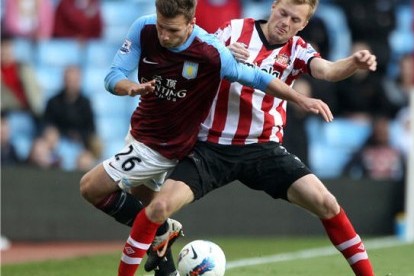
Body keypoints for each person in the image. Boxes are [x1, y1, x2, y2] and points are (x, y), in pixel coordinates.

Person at [79, 0, 333, 275]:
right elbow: (112, 76)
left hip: (166, 144)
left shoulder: (211, 52)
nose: (164, 36)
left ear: (191, 24)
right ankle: (167, 259)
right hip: (141, 130)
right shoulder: (143, 27)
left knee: (91, 187)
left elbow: (257, 78)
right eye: (161, 27)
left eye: (173, 31)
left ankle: (160, 233)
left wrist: (300, 99)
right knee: (152, 211)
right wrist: (129, 87)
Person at [137, 0, 377, 275]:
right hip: (212, 146)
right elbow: (196, 59)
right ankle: (160, 261)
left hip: (263, 149)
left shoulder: (298, 49)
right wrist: (223, 53)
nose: (286, 22)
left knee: (326, 203)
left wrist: (353, 63)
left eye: (295, 20)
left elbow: (328, 71)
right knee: (160, 207)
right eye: (283, 13)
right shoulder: (235, 30)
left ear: (304, 24)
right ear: (274, 6)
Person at [43, 65, 102, 160]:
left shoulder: (85, 103)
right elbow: (47, 124)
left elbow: (91, 129)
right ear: (64, 80)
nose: (71, 84)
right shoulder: (53, 102)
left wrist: (79, 136)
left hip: (81, 144)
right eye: (68, 80)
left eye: (74, 81)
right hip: (58, 143)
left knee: (94, 148)